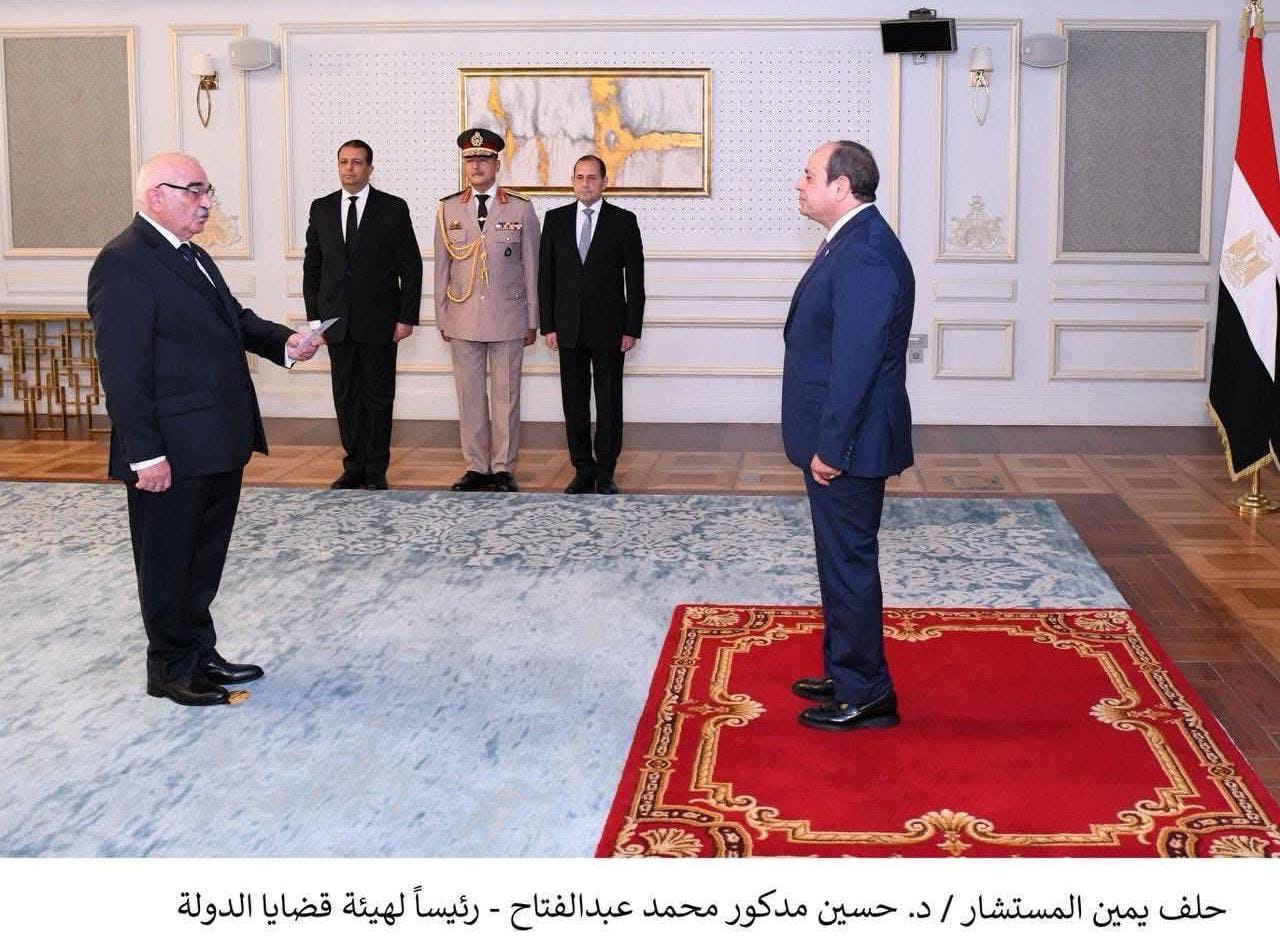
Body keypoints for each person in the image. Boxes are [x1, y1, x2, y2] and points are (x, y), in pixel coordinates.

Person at [88, 152, 322, 707]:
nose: (206, 202)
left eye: (207, 190)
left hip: (215, 439)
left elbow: (233, 319)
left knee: (202, 557)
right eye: (194, 190)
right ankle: (170, 667)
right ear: (156, 196)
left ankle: (198, 651)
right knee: (168, 561)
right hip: (170, 448)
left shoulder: (190, 254)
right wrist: (145, 454)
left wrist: (286, 344)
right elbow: (123, 371)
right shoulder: (123, 262)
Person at [782, 140, 915, 732]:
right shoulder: (851, 240)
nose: (799, 184)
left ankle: (867, 693)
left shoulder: (864, 253)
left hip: (850, 444)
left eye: (809, 175)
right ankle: (845, 669)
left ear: (841, 187)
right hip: (844, 436)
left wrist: (832, 448)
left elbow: (855, 364)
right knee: (837, 560)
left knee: (849, 564)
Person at [303, 139, 422, 491]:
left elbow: (410, 266)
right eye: (344, 162)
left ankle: (375, 468)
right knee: (346, 396)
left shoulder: (393, 208)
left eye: (356, 162)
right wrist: (315, 320)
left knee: (378, 396)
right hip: (335, 323)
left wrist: (406, 317)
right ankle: (353, 465)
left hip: (380, 321)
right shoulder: (321, 208)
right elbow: (313, 267)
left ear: (370, 168)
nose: (349, 168)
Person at [433, 127, 540, 492]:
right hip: (463, 316)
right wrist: (442, 315)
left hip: (508, 316)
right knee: (469, 395)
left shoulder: (520, 208)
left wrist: (533, 319)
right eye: (470, 160)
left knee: (506, 396)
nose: (476, 166)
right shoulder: (448, 208)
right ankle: (476, 466)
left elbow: (532, 267)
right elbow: (442, 267)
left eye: (483, 159)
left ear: (497, 163)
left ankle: (503, 467)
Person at [539, 155, 645, 495]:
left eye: (592, 177)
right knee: (574, 401)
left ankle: (605, 470)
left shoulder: (623, 221)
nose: (585, 183)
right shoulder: (555, 220)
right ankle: (582, 468)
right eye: (580, 177)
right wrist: (548, 325)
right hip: (567, 328)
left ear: (604, 182)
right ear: (572, 181)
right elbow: (546, 277)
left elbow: (636, 280)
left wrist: (632, 328)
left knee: (609, 400)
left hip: (610, 329)